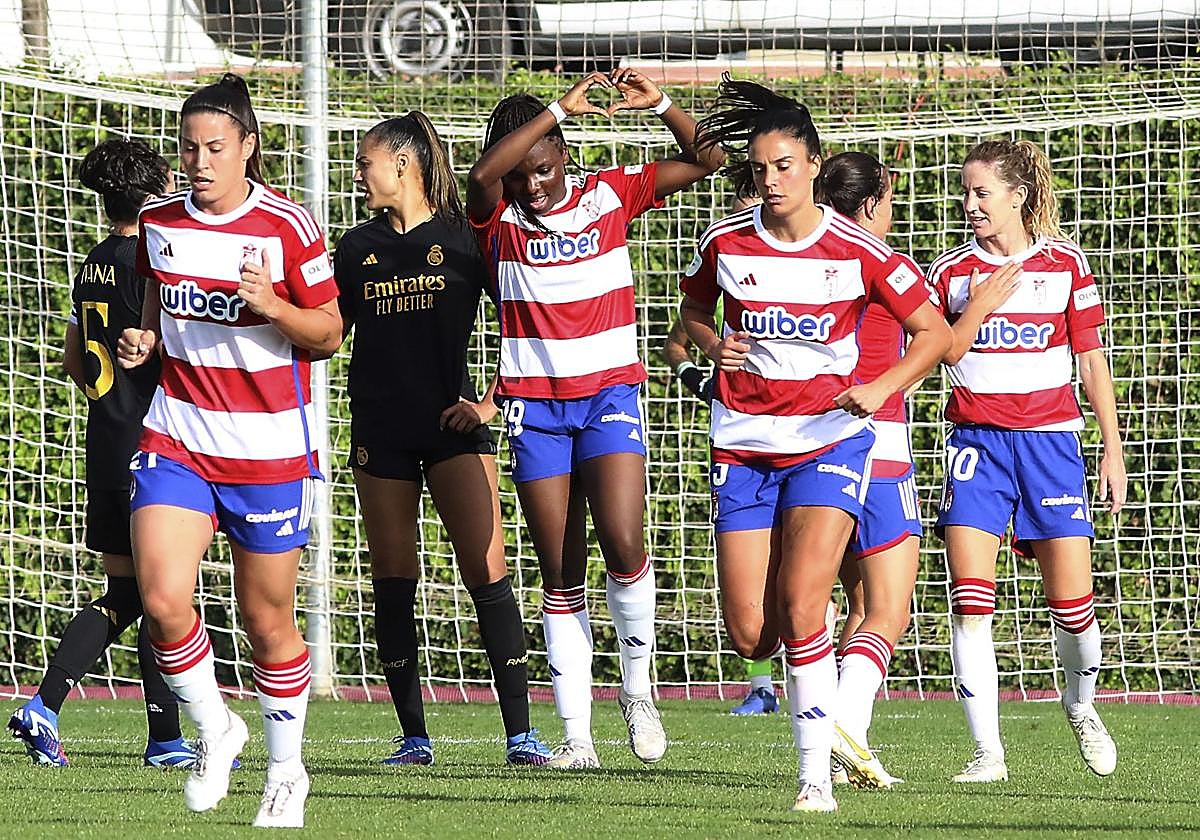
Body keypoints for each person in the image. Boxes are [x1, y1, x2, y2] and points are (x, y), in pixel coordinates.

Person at [680, 74, 951, 812]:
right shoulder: (725, 242)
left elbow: (935, 333)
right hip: (742, 445)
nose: (771, 180)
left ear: (812, 164)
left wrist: (882, 385)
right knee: (750, 635)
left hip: (829, 441)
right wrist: (712, 343)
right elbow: (693, 310)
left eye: (784, 166)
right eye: (760, 168)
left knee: (805, 602)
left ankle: (813, 779)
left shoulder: (859, 250)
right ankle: (812, 664)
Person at [466, 68, 724, 769]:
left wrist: (662, 103)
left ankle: (639, 692)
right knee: (559, 570)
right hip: (537, 409)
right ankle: (577, 737)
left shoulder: (611, 193)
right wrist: (556, 108)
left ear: (565, 155)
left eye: (544, 169)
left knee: (624, 540)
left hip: (609, 398)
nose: (532, 186)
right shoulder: (497, 222)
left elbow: (709, 158)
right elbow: (481, 176)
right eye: (521, 175)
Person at [115, 73, 341, 828]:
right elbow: (156, 298)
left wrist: (272, 304)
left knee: (266, 621)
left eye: (215, 147)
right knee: (161, 599)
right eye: (189, 148)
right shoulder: (158, 221)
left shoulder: (288, 226)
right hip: (178, 435)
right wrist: (147, 338)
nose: (200, 161)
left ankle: (285, 771)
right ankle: (216, 727)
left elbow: (329, 334)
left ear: (248, 146)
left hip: (269, 450)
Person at [332, 112, 551, 768]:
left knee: (487, 571)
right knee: (393, 577)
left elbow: (526, 319)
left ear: (403, 165)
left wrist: (489, 402)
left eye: (366, 161)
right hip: (380, 430)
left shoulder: (464, 238)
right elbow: (327, 333)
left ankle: (521, 736)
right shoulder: (354, 247)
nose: (358, 173)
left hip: (454, 429)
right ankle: (413, 738)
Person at [929, 138, 1126, 784]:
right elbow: (930, 350)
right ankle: (987, 752)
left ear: (1017, 196)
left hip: (1050, 447)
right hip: (975, 445)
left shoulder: (1064, 264)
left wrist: (1112, 449)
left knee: (1073, 607)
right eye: (965, 192)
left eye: (981, 192)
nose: (970, 204)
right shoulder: (951, 272)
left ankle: (1081, 704)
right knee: (970, 602)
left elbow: (1091, 361)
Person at [8, 139, 197, 769]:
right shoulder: (152, 262)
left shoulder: (92, 262)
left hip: (106, 439)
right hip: (153, 445)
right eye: (170, 182)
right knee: (160, 594)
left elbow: (73, 360)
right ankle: (130, 729)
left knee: (134, 591)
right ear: (151, 194)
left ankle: (152, 736)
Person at [809, 150, 946, 789]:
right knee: (890, 609)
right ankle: (843, 720)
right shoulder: (888, 264)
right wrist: (979, 305)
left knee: (849, 601)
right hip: (880, 445)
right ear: (870, 206)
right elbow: (943, 342)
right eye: (888, 200)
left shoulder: (802, 262)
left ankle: (846, 743)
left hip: (812, 450)